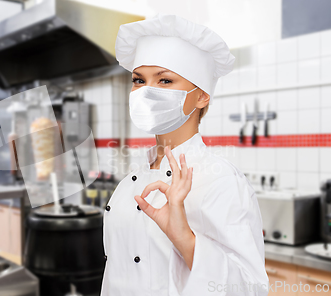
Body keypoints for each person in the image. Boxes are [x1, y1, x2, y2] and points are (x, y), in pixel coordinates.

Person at [100, 14, 269, 295]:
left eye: (165, 81)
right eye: (139, 80)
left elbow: (250, 288)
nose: (146, 92)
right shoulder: (134, 178)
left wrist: (185, 240)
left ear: (201, 96)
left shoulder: (220, 179)